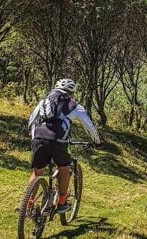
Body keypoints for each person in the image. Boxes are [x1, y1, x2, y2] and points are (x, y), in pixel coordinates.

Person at [27, 78, 102, 213]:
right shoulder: (74, 105)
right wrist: (97, 141)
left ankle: (28, 204)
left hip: (38, 138)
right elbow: (89, 126)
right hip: (58, 141)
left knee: (37, 171)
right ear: (71, 92)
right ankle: (62, 203)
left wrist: (35, 138)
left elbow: (31, 121)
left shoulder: (43, 102)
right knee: (64, 167)